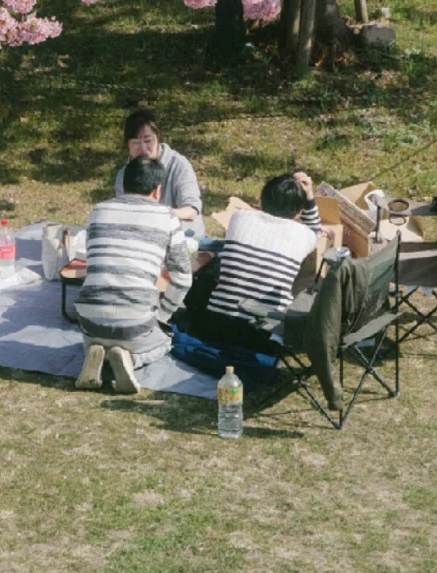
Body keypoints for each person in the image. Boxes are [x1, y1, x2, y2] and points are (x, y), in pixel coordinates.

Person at [75, 155, 192, 394]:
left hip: (89, 316)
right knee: (167, 339)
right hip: (136, 320)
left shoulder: (98, 210)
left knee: (97, 338)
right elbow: (183, 278)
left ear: (123, 185)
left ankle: (96, 355)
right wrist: (163, 314)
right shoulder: (168, 217)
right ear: (157, 191)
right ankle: (131, 360)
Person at [189, 171, 322, 352]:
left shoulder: (240, 217)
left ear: (261, 201)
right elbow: (316, 229)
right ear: (299, 212)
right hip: (264, 339)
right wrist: (310, 196)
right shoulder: (305, 235)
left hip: (214, 327)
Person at [113, 108, 203, 234]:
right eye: (136, 142)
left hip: (185, 238)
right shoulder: (124, 175)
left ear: (158, 138)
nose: (143, 149)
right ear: (127, 145)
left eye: (148, 141)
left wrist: (157, 214)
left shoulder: (179, 165)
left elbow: (191, 210)